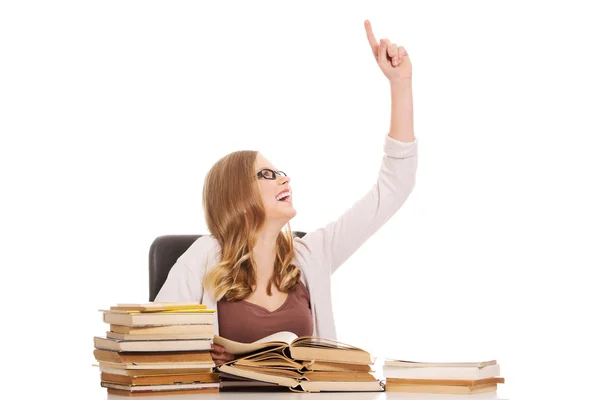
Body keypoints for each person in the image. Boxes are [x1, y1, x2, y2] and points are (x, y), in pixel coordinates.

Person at [154, 20, 418, 366]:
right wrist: (200, 360)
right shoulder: (203, 257)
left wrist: (400, 85)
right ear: (235, 194)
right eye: (266, 174)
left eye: (280, 172)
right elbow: (152, 350)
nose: (283, 180)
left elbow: (393, 189)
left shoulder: (312, 256)